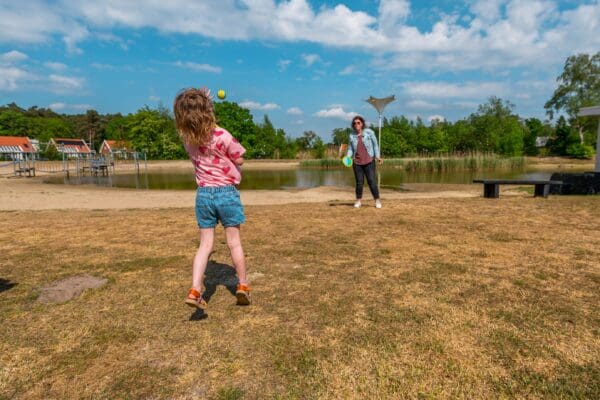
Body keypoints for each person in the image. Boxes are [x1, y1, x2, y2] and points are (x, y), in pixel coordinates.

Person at [173, 87, 251, 309]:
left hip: (204, 195)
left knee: (205, 245)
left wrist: (201, 101)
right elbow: (241, 159)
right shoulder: (223, 135)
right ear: (209, 111)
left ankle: (196, 289)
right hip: (227, 192)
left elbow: (194, 122)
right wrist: (207, 104)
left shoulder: (187, 139)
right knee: (234, 242)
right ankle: (243, 285)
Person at [346, 115, 382, 208]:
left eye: (358, 122)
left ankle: (377, 201)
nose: (356, 124)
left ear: (362, 124)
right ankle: (358, 201)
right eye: (354, 123)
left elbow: (375, 145)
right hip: (357, 162)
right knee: (359, 182)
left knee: (371, 181)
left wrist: (377, 157)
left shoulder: (369, 132)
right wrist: (348, 157)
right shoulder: (351, 135)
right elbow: (350, 149)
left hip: (369, 161)